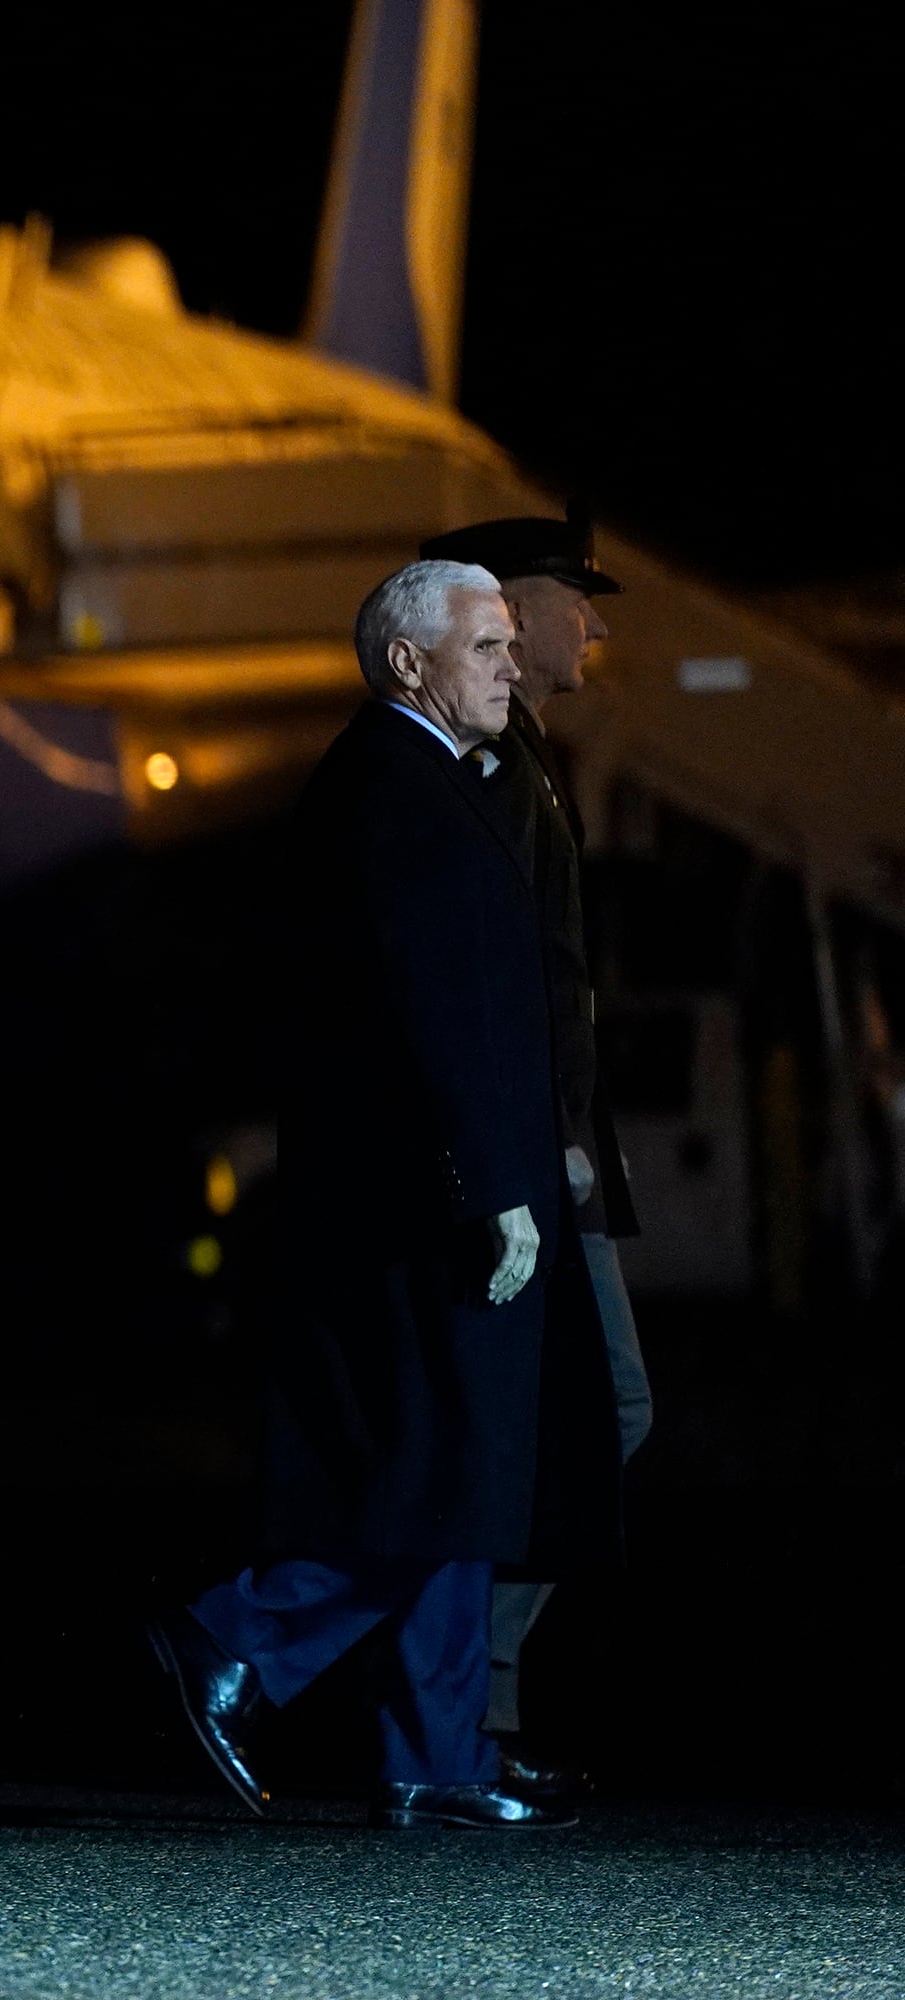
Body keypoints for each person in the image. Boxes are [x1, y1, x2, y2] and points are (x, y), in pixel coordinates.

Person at [145, 560, 621, 1831]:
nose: (510, 666)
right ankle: (233, 1637)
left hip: (451, 1186)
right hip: (430, 1202)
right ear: (410, 664)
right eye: (486, 646)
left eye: (513, 644)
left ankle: (435, 1749)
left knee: (462, 1469)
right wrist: (494, 1186)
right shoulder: (392, 789)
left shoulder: (422, 781)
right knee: (435, 1470)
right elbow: (427, 1015)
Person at [420, 515, 654, 1796]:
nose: (597, 628)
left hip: (550, 1144)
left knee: (561, 1418)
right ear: (510, 603)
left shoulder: (531, 755)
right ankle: (273, 1637)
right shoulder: (490, 758)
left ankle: (467, 1718)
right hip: (532, 1154)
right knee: (583, 1411)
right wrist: (543, 1147)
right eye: (579, 601)